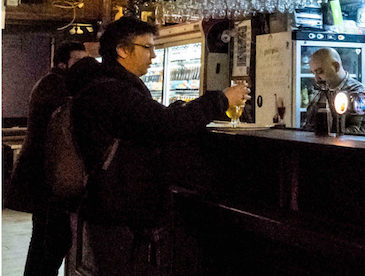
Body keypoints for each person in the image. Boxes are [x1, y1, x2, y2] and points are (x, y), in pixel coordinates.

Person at [70, 17, 249, 275]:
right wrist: (221, 99)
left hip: (111, 208)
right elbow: (166, 124)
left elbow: (153, 121)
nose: (153, 55)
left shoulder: (110, 87)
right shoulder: (114, 93)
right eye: (148, 47)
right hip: (118, 211)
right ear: (122, 50)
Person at [7, 41, 88, 276]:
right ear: (62, 64)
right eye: (78, 61)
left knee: (46, 242)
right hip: (47, 179)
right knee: (49, 243)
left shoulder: (53, 83)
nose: (84, 66)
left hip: (46, 176)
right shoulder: (56, 86)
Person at [302, 48, 365, 135]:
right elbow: (308, 127)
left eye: (320, 72)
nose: (316, 79)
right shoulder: (321, 92)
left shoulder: (360, 95)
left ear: (336, 67)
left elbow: (361, 133)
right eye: (314, 73)